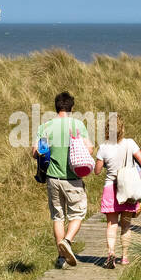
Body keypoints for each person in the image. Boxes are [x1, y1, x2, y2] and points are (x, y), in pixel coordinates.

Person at [33, 92, 94, 268]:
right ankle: (67, 241)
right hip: (73, 178)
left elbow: (35, 153)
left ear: (56, 107)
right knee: (78, 213)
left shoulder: (45, 127)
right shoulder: (77, 125)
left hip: (52, 177)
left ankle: (61, 259)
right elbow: (89, 149)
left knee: (57, 216)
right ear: (71, 108)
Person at [95, 113, 141, 268]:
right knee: (126, 225)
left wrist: (105, 163)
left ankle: (111, 253)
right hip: (128, 189)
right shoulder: (130, 143)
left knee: (111, 224)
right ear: (122, 129)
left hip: (110, 188)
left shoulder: (104, 147)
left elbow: (97, 171)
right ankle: (124, 257)